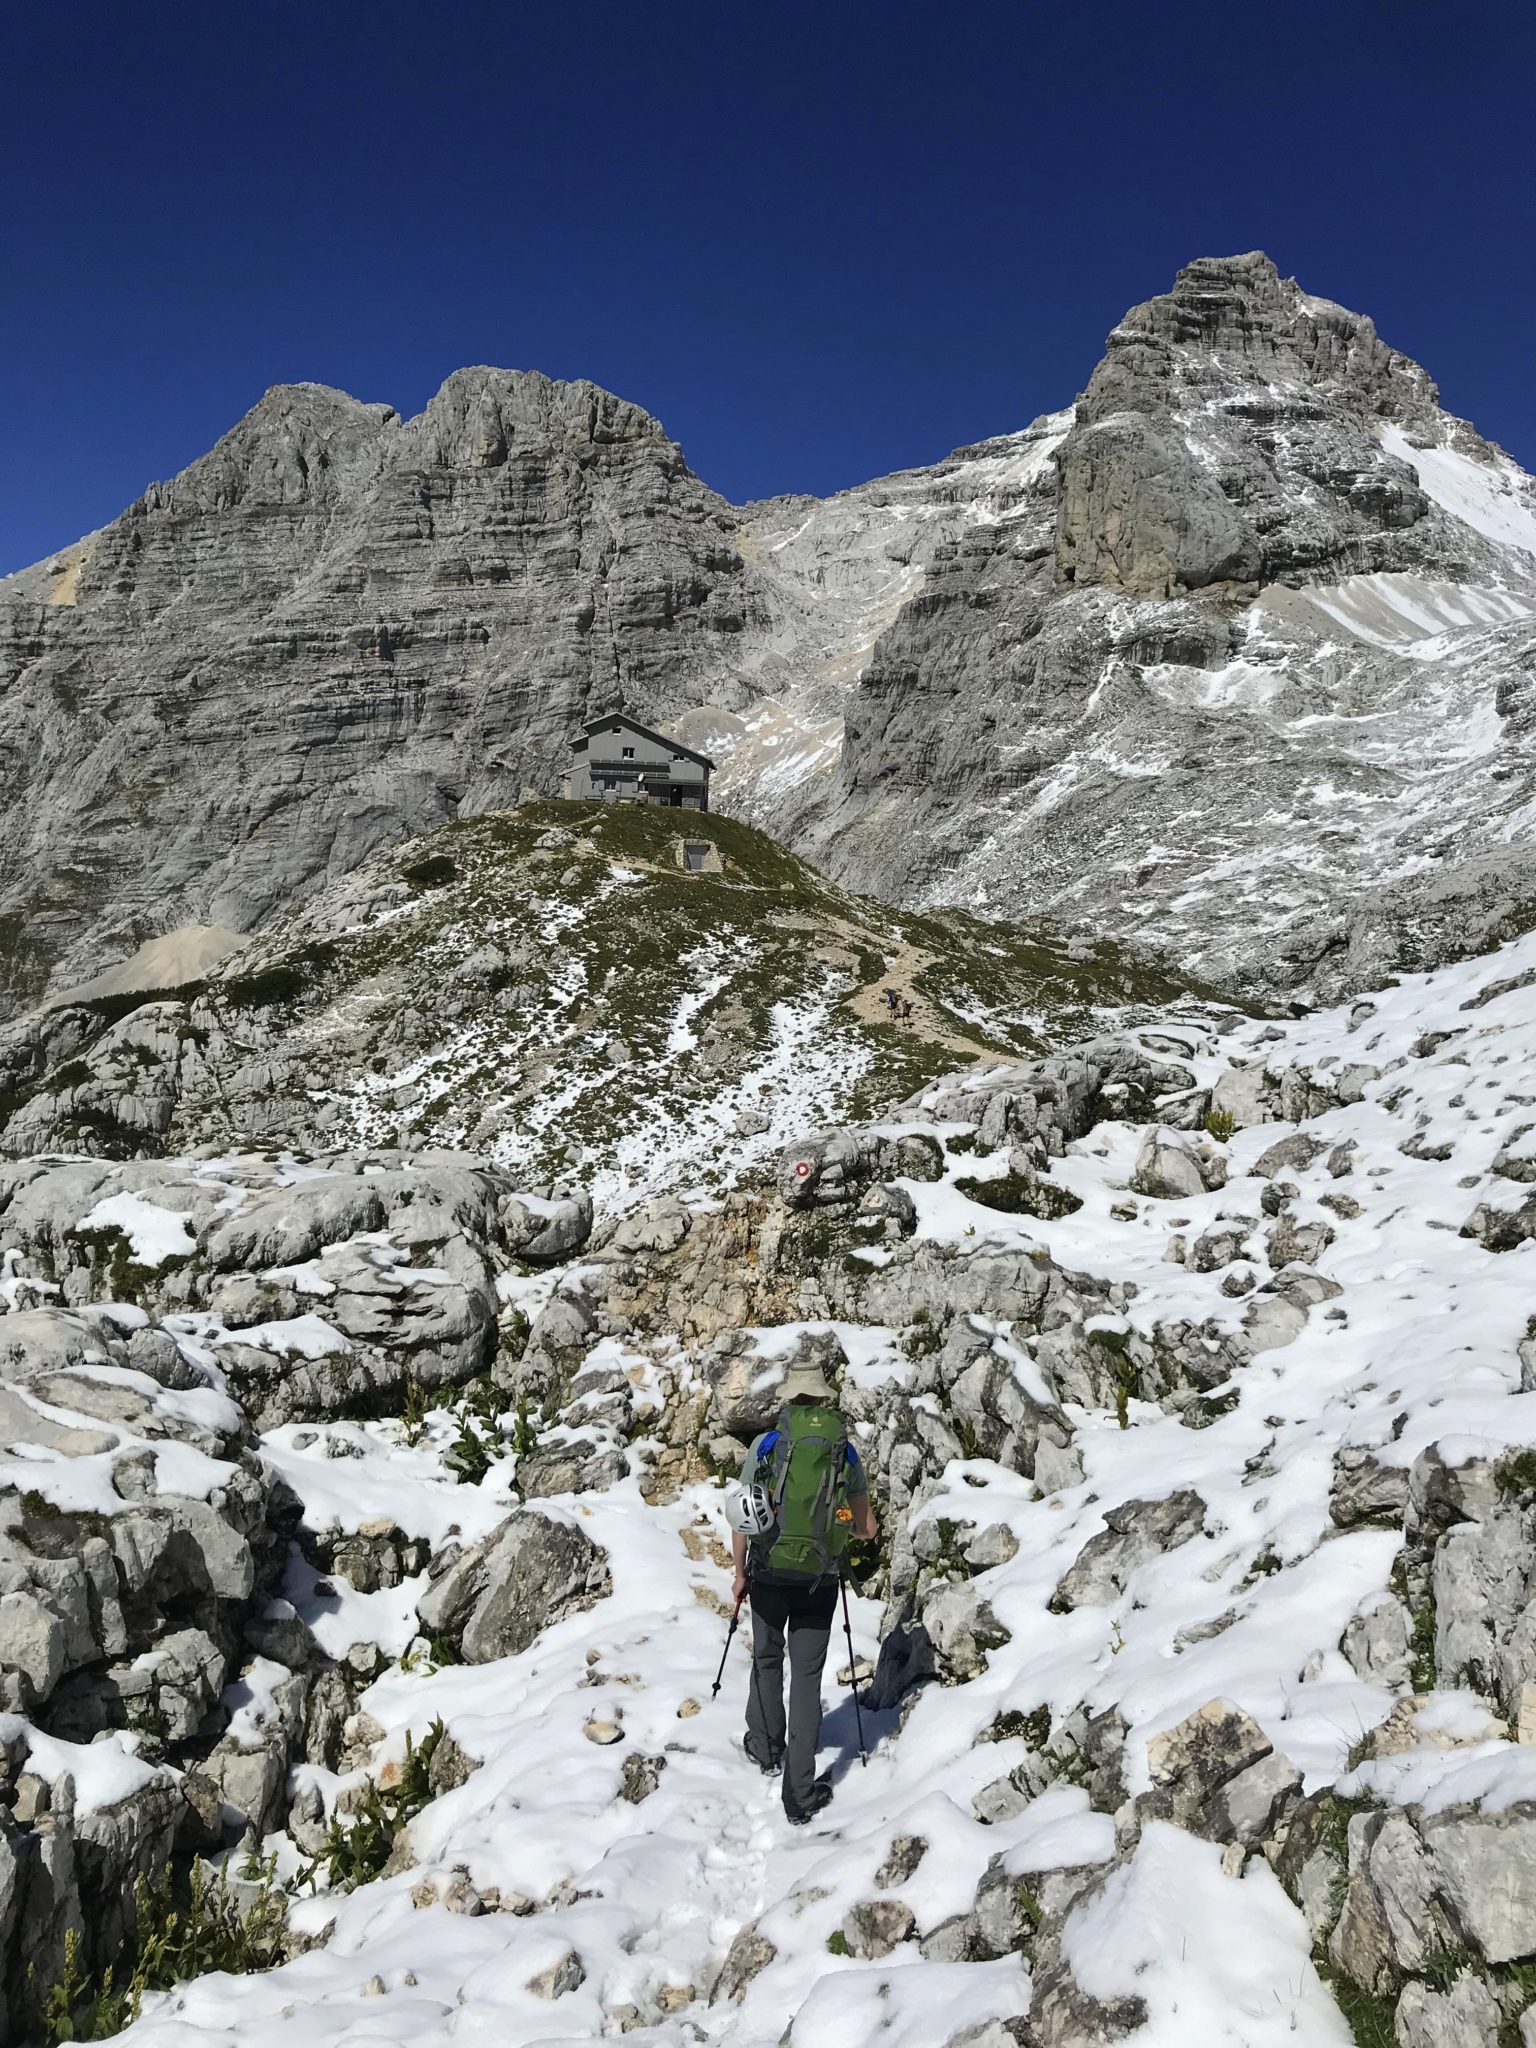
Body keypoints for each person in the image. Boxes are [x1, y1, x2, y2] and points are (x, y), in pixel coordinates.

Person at [729, 1360, 877, 1824]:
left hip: (769, 1570)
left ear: (791, 1398)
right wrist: (839, 1531)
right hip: (819, 1580)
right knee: (807, 1678)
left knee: (767, 1660)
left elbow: (742, 1516)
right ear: (824, 1398)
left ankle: (767, 1748)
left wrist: (739, 1573)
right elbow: (867, 1529)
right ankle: (800, 1795)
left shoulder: (767, 1445)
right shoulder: (844, 1452)